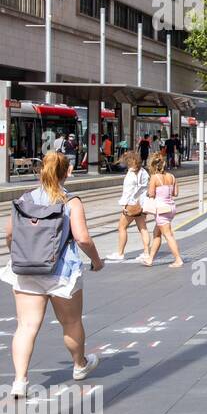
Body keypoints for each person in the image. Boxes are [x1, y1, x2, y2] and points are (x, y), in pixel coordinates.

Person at [1, 151, 103, 397]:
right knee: (70, 322)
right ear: (67, 172)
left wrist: (21, 255)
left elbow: (10, 235)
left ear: (41, 171)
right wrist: (97, 261)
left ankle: (20, 381)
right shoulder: (71, 201)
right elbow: (82, 238)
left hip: (26, 271)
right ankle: (79, 365)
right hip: (61, 273)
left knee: (25, 326)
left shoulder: (25, 199)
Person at [108, 151, 151, 262]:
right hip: (142, 204)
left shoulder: (130, 175)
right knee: (143, 228)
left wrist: (124, 205)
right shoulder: (144, 172)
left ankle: (120, 253)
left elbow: (128, 192)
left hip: (132, 204)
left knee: (122, 227)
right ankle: (146, 252)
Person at [143, 151, 183, 268]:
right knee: (157, 233)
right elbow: (176, 193)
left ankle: (178, 259)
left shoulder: (155, 178)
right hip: (171, 208)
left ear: (153, 166)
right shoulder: (172, 176)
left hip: (161, 210)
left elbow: (151, 194)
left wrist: (150, 193)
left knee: (168, 235)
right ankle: (150, 259)